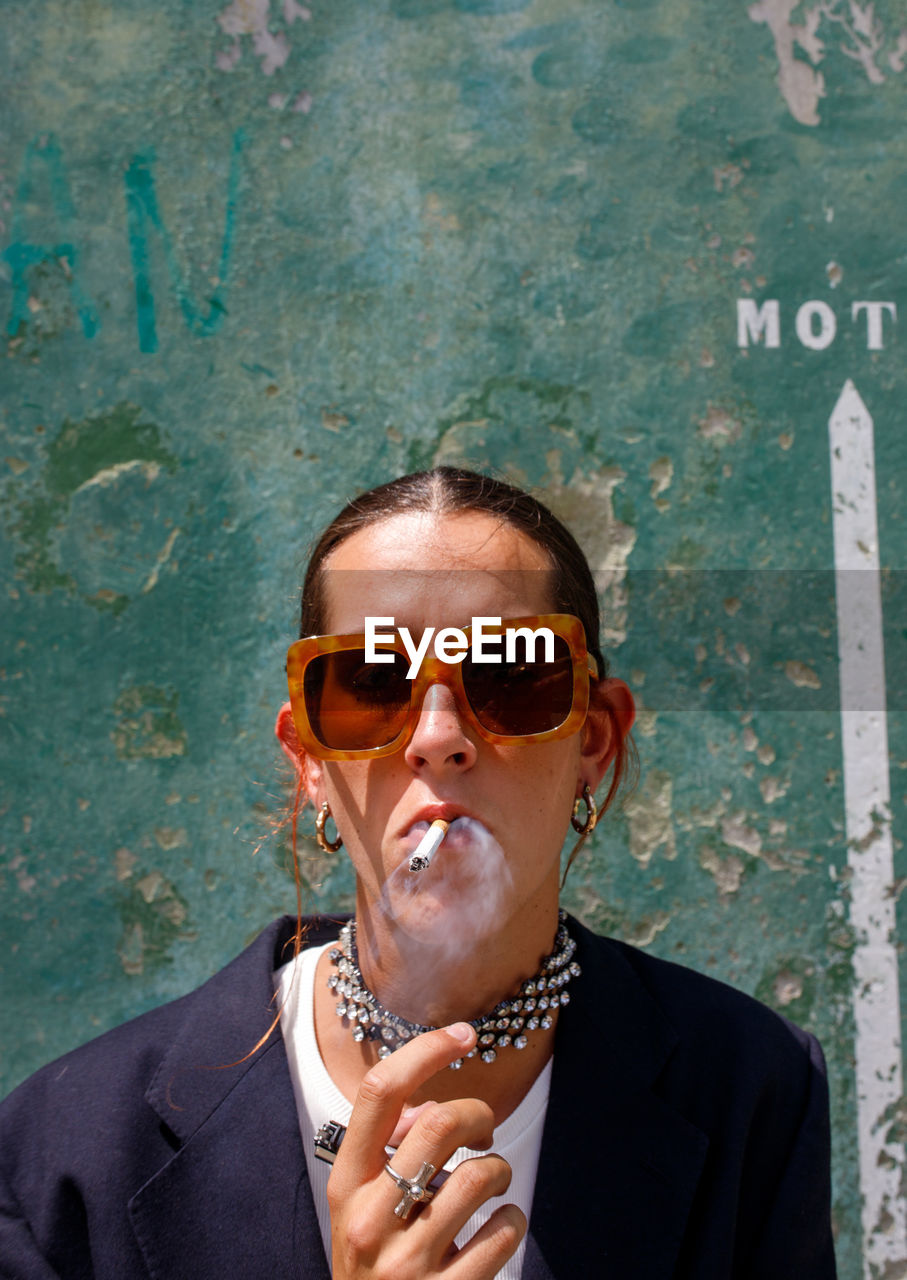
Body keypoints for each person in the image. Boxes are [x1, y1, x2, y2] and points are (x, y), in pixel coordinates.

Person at [0, 466, 836, 1279]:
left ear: (593, 740)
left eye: (510, 677)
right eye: (369, 684)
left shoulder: (749, 1089)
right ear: (310, 763)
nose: (437, 736)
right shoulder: (65, 1148)